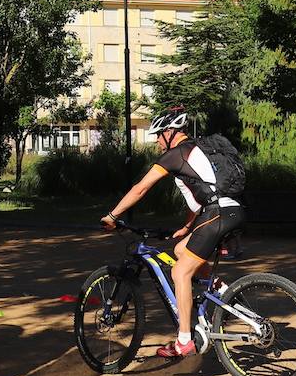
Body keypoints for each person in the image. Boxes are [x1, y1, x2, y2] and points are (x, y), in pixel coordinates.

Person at [100, 107, 245, 358]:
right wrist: (187, 227)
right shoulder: (198, 150)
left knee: (180, 271)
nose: (156, 140)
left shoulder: (175, 155)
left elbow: (140, 189)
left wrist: (113, 216)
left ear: (170, 133)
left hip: (217, 213)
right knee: (180, 250)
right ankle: (222, 290)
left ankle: (184, 340)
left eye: (158, 135)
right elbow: (199, 199)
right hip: (231, 209)